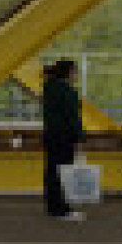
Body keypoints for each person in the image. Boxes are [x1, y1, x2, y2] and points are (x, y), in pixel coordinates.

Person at [41, 59, 88, 221]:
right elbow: (73, 118)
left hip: (51, 135)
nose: (77, 75)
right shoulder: (67, 92)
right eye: (75, 71)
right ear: (67, 72)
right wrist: (80, 138)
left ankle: (53, 207)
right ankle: (61, 210)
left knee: (52, 172)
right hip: (65, 137)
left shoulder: (49, 88)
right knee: (63, 173)